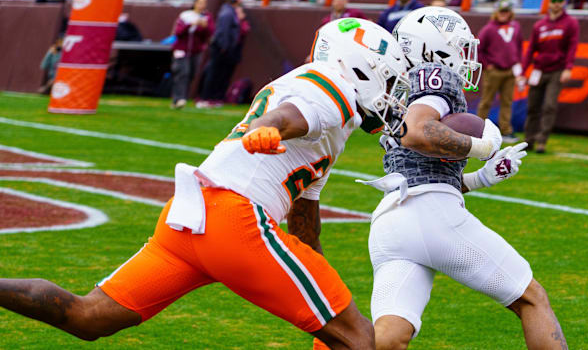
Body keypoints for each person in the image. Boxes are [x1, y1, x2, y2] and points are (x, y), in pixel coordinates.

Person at [0, 18, 411, 349]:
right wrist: (270, 129)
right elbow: (290, 114)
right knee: (359, 340)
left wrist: (324, 287)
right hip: (236, 222)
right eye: (389, 81)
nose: (392, 95)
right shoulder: (329, 84)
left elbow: (305, 220)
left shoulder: (330, 119)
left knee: (89, 317)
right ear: (356, 66)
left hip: (189, 220)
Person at [359, 7, 567, 350]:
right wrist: (480, 146)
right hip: (430, 214)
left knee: (390, 337)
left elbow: (420, 166)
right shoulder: (433, 73)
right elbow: (418, 132)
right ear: (430, 47)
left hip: (391, 219)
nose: (463, 55)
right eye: (457, 45)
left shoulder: (398, 85)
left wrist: (480, 178)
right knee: (532, 298)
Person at [522, 0, 579, 153]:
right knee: (532, 105)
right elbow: (531, 49)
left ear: (564, 2)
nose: (556, 4)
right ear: (548, 2)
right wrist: (522, 72)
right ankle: (529, 139)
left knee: (549, 105)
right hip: (539, 69)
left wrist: (568, 68)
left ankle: (541, 141)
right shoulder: (539, 25)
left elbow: (572, 47)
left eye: (559, 0)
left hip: (557, 70)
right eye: (553, 0)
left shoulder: (570, 23)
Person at [476, 0, 525, 144]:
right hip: (494, 71)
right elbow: (478, 49)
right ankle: (479, 129)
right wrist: (487, 65)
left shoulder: (515, 27)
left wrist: (517, 63)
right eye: (501, 11)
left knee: (507, 102)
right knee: (486, 101)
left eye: (506, 11)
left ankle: (506, 129)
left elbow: (519, 46)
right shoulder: (488, 29)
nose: (503, 14)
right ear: (496, 13)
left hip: (510, 70)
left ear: (510, 12)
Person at [198, 0, 250, 108]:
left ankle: (215, 98)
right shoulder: (227, 12)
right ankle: (206, 98)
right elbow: (223, 31)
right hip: (221, 49)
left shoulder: (232, 11)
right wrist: (224, 47)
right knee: (214, 73)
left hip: (226, 49)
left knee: (221, 75)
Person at [170, 0, 215, 109]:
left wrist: (204, 27)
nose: (202, 5)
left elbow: (210, 33)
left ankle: (182, 97)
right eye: (200, 2)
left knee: (191, 73)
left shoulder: (207, 17)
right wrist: (191, 24)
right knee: (182, 72)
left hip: (196, 50)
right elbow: (178, 32)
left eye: (204, 3)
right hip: (182, 49)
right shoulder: (186, 15)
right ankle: (179, 98)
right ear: (195, 3)